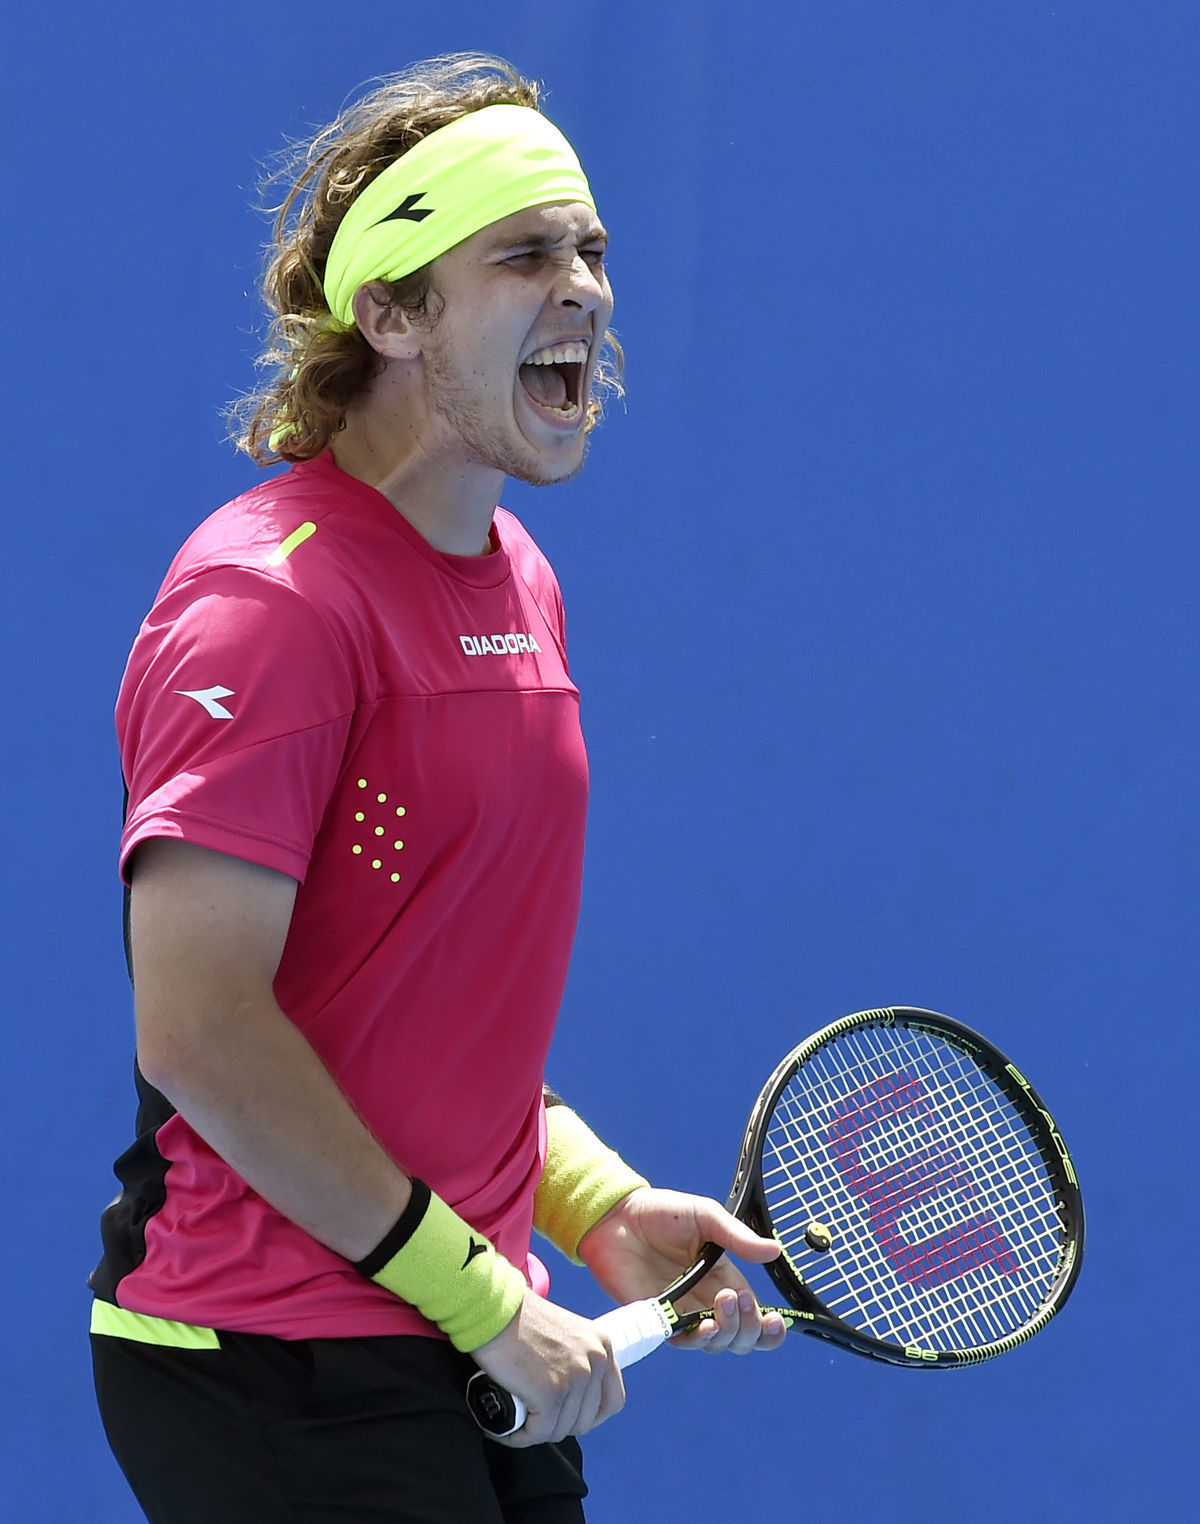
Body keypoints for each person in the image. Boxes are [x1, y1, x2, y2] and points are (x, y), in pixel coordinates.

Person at [89, 52, 786, 1523]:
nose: (586, 287)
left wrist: (594, 1205)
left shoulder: (520, 583)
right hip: (259, 1352)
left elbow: (410, 1017)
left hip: (452, 1337)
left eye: (592, 249)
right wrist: (479, 1294)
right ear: (391, 313)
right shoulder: (264, 605)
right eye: (526, 252)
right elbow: (203, 1030)